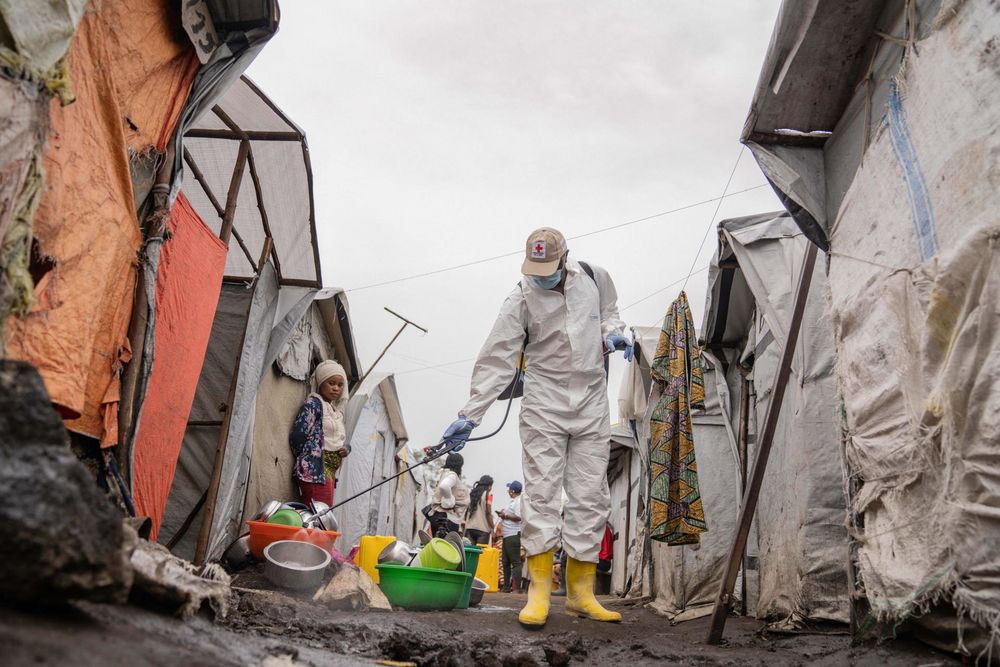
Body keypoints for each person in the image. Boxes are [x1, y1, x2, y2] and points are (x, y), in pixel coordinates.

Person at [439, 227, 630, 626]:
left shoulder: (595, 277)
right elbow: (498, 356)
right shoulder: (521, 296)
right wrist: (470, 414)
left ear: (565, 258)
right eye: (534, 268)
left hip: (592, 398)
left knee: (589, 494)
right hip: (544, 399)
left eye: (547, 268)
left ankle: (580, 591)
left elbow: (610, 311)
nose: (540, 276)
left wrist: (613, 333)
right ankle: (539, 590)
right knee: (541, 491)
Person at [289, 360, 351, 506]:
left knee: (320, 513)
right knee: (319, 513)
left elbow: (338, 439)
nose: (336, 388)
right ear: (321, 382)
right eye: (331, 383)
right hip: (315, 471)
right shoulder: (313, 405)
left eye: (340, 385)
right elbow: (297, 436)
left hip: (328, 471)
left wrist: (346, 449)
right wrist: (310, 457)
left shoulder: (335, 412)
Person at [427, 453, 470, 537]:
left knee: (438, 545)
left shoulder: (444, 474)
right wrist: (449, 499)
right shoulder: (452, 475)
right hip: (445, 518)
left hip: (437, 516)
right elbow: (444, 486)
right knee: (446, 547)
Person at [498, 480, 523, 593]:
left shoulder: (518, 502)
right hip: (507, 534)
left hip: (513, 534)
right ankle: (506, 587)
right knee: (505, 561)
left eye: (509, 489)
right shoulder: (513, 502)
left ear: (513, 491)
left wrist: (506, 516)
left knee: (515, 561)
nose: (508, 491)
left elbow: (519, 516)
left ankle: (517, 588)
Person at [465, 475, 495, 546]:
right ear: (490, 486)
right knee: (480, 555)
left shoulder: (473, 494)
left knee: (469, 554)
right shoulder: (489, 495)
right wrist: (492, 527)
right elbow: (488, 512)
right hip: (483, 530)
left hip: (470, 527)